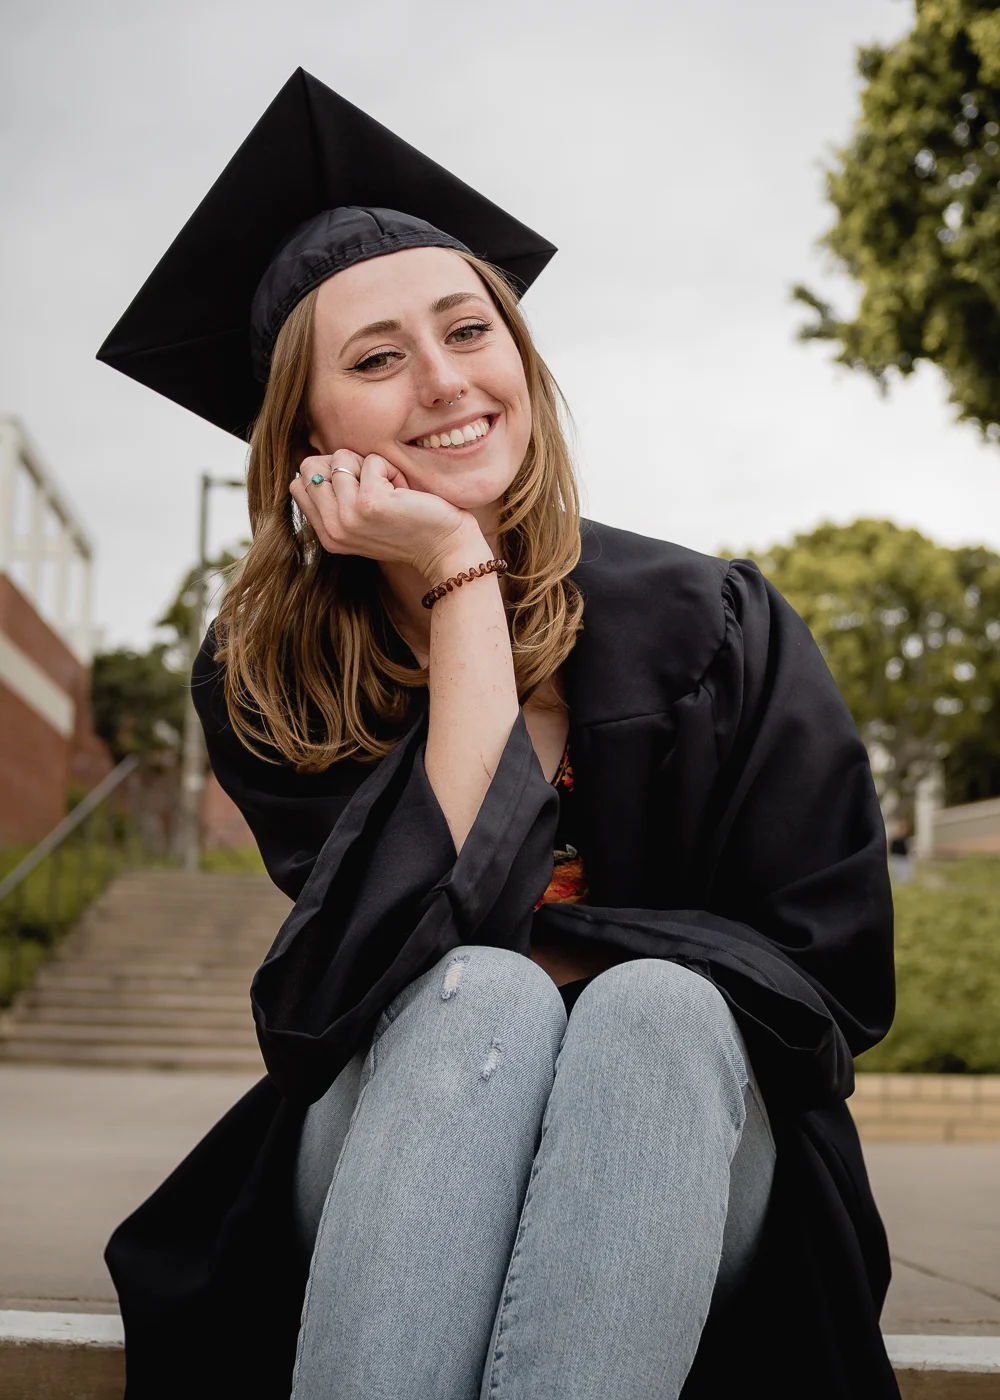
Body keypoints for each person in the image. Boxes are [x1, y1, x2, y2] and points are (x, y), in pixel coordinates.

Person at [98, 70, 900, 1400]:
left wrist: (597, 963)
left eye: (470, 332)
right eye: (373, 360)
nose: (442, 382)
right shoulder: (275, 679)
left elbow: (831, 980)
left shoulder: (718, 624)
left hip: (698, 1156)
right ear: (305, 435)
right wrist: (464, 584)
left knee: (655, 1014)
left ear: (521, 359)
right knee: (485, 996)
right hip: (397, 1141)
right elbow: (376, 991)